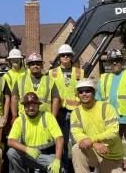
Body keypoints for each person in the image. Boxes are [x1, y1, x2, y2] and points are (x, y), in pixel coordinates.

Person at [95, 49, 126, 172]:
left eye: (117, 60)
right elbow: (98, 102)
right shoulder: (103, 78)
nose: (114, 63)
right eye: (112, 61)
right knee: (110, 152)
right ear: (108, 63)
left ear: (122, 62)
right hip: (111, 123)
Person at [71, 78, 124, 173]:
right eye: (81, 91)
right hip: (93, 151)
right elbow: (77, 134)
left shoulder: (106, 108)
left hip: (111, 155)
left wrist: (92, 140)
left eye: (88, 90)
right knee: (77, 148)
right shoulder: (76, 112)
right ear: (77, 95)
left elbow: (113, 131)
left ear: (94, 92)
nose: (84, 94)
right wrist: (94, 144)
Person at [7, 92, 64, 173]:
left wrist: (57, 160)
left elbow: (59, 138)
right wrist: (27, 149)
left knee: (59, 168)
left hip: (45, 156)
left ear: (38, 105)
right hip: (27, 155)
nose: (31, 108)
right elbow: (10, 141)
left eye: (33, 105)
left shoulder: (48, 116)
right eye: (27, 105)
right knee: (11, 152)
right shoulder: (20, 120)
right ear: (24, 107)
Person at [48, 44, 84, 172]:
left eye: (68, 55)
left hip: (76, 112)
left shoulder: (80, 72)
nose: (65, 57)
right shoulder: (52, 73)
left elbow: (84, 92)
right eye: (63, 55)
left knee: (77, 141)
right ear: (59, 57)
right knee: (61, 140)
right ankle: (64, 168)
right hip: (59, 112)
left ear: (72, 57)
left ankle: (78, 167)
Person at [11, 52, 60, 121]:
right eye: (33, 64)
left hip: (44, 119)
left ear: (42, 66)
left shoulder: (49, 80)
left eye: (38, 64)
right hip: (24, 119)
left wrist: (53, 117)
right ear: (29, 66)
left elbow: (56, 99)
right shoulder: (20, 80)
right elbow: (14, 98)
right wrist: (14, 116)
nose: (35, 66)